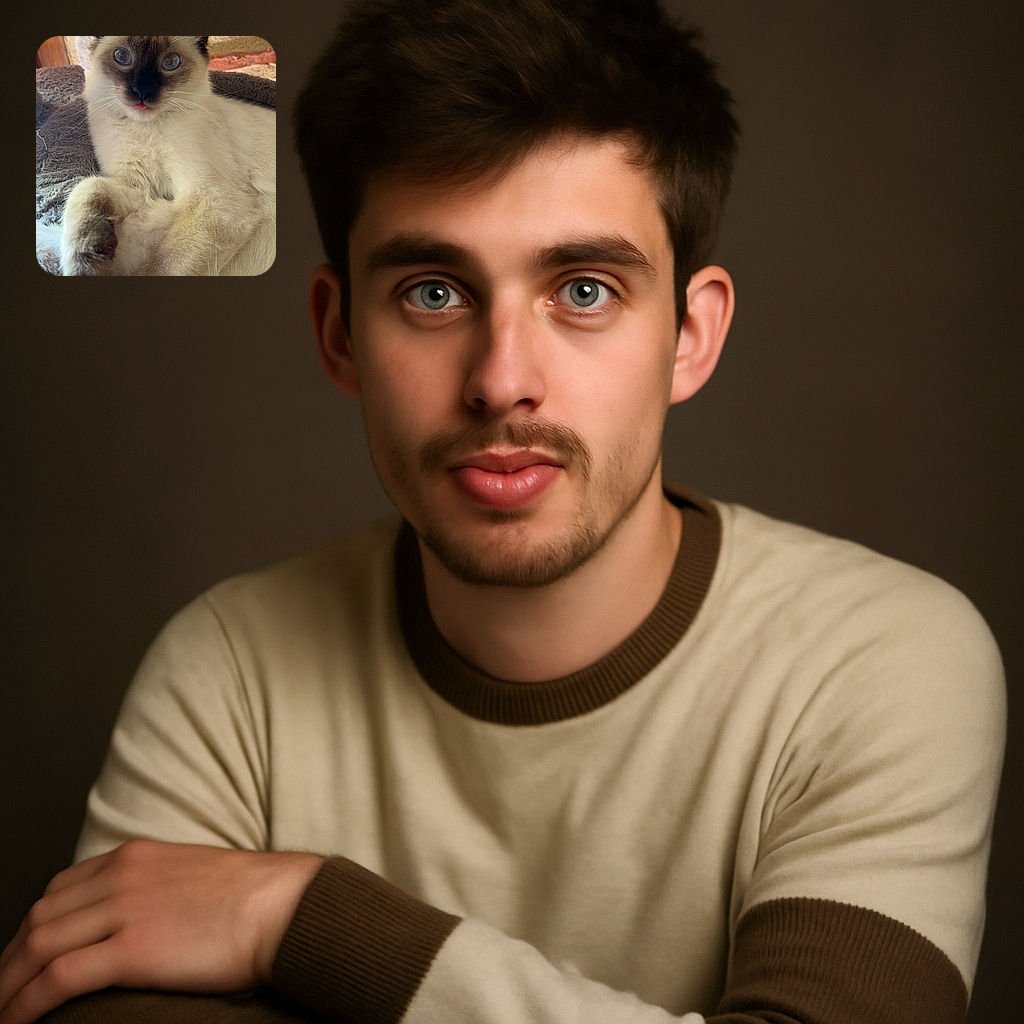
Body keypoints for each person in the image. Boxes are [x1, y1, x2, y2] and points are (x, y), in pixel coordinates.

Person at [0, 1, 1006, 1022]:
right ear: (339, 332)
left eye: (582, 290)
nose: (500, 382)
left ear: (690, 337)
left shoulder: (883, 658)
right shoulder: (227, 672)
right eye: (433, 293)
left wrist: (303, 917)